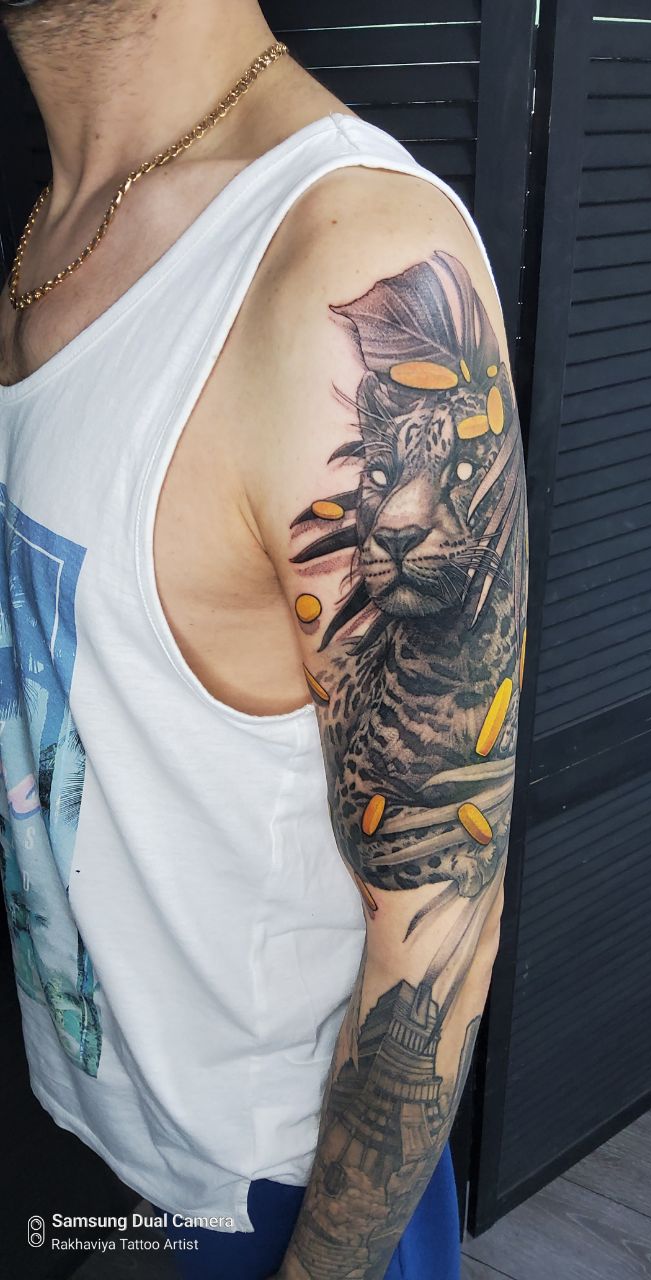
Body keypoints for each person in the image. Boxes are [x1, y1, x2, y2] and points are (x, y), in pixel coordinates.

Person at [0, 2, 528, 1277]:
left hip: (292, 1183)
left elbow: (442, 921)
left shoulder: (348, 256)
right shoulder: (58, 222)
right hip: (112, 1110)